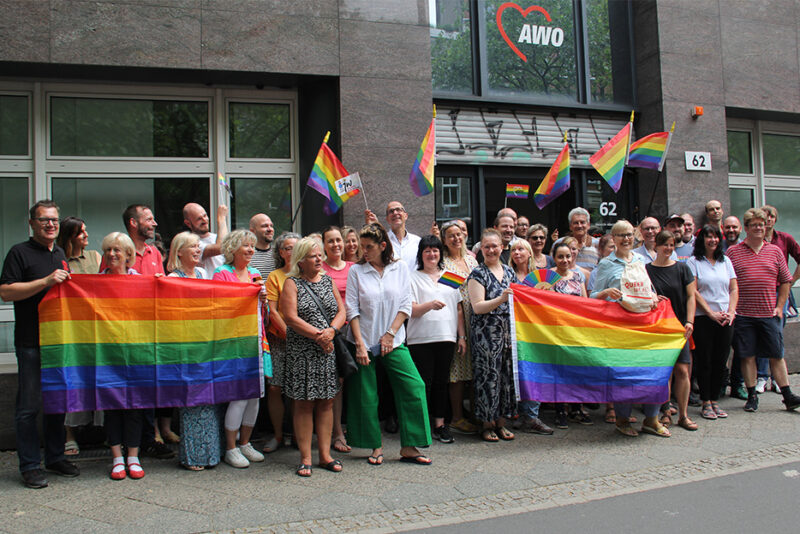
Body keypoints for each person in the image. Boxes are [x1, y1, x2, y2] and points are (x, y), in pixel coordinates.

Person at [0, 200, 79, 488]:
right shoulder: (19, 253)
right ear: (32, 223)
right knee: (28, 407)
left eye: (54, 221)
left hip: (57, 343)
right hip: (30, 342)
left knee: (57, 403)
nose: (50, 225)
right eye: (44, 220)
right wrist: (45, 281)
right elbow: (6, 292)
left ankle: (55, 457)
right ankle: (30, 465)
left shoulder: (60, 253)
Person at [345, 223, 432, 465]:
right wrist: (360, 345)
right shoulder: (356, 271)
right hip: (363, 340)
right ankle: (375, 446)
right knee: (366, 395)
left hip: (394, 341)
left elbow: (405, 304)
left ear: (383, 246)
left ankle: (410, 447)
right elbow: (351, 309)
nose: (364, 251)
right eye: (362, 246)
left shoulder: (400, 267)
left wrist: (391, 334)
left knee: (414, 386)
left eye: (369, 247)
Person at [591, 219, 669, 437]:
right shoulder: (606, 264)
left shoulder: (642, 260)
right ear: (613, 239)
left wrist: (653, 297)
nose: (626, 238)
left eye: (629, 235)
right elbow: (593, 295)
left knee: (652, 371)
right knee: (624, 375)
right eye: (621, 235)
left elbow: (647, 288)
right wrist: (606, 293)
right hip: (619, 327)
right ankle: (623, 419)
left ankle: (651, 419)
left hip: (644, 324)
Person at [281, 237, 346, 477]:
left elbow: (341, 311)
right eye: (312, 256)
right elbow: (290, 318)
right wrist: (320, 336)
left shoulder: (328, 281)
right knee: (304, 403)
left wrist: (331, 331)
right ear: (301, 260)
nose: (319, 259)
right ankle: (306, 457)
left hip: (326, 353)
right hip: (303, 353)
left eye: (319, 255)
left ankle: (325, 455)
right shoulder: (292, 283)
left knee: (327, 401)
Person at [726, 208, 800, 413]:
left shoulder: (775, 251)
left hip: (769, 314)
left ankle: (787, 395)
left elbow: (786, 281)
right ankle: (752, 396)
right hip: (744, 315)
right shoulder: (733, 252)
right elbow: (728, 283)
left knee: (776, 355)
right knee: (747, 356)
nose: (759, 228)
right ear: (746, 228)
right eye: (754, 225)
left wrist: (779, 307)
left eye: (762, 224)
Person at [166, 232, 222, 471]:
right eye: (192, 247)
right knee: (190, 398)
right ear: (179, 251)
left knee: (208, 398)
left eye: (199, 246)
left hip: (203, 343)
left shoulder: (202, 274)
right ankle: (192, 456)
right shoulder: (171, 277)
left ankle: (210, 452)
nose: (198, 250)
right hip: (184, 343)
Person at [212, 229, 267, 467]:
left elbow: (262, 312)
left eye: (253, 246)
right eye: (246, 245)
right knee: (239, 395)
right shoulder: (221, 273)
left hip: (256, 339)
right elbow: (218, 306)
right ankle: (231, 447)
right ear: (233, 248)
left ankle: (245, 443)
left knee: (255, 395)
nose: (251, 250)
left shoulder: (255, 273)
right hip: (233, 342)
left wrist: (263, 300)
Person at [408, 235, 467, 444]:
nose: (432, 254)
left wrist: (461, 336)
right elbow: (410, 310)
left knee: (442, 382)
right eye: (427, 251)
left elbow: (459, 309)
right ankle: (422, 425)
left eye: (435, 250)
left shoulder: (450, 276)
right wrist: (429, 306)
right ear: (421, 254)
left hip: (446, 337)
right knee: (424, 383)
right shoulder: (412, 277)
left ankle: (440, 424)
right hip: (419, 339)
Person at [100, 231, 147, 480]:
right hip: (106, 353)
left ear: (129, 255)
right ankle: (116, 457)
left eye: (117, 250)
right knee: (111, 405)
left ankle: (133, 456)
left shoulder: (140, 280)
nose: (112, 254)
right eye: (108, 250)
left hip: (134, 352)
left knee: (134, 405)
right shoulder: (95, 282)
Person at [57, 216, 102, 456]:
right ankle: (69, 434)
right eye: (81, 232)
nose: (86, 235)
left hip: (95, 327)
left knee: (98, 378)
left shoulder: (96, 257)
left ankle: (102, 431)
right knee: (72, 381)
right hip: (72, 328)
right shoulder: (59, 260)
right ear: (70, 235)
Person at [468, 228, 518, 443]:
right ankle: (486, 424)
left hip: (508, 335)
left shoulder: (509, 272)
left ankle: (501, 422)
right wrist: (501, 298)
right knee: (488, 378)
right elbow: (477, 307)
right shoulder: (477, 274)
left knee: (506, 377)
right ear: (481, 249)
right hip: (486, 336)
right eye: (486, 246)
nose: (491, 250)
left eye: (494, 246)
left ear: (502, 247)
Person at [646, 231, 697, 432]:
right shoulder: (646, 270)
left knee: (683, 370)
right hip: (658, 329)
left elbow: (691, 296)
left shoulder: (683, 269)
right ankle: (665, 411)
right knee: (663, 373)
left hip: (680, 327)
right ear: (656, 246)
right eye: (665, 245)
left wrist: (690, 321)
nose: (668, 248)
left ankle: (683, 415)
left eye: (671, 245)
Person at [687, 225, 738, 421]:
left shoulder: (726, 261)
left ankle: (716, 399)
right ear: (702, 240)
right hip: (704, 318)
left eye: (716, 237)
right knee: (705, 360)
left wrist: (731, 311)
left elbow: (733, 289)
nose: (713, 240)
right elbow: (694, 291)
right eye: (708, 237)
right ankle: (705, 401)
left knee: (720, 360)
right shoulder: (694, 262)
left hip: (726, 318)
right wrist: (710, 313)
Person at [262, 231, 301, 454]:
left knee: (298, 389)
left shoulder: (305, 274)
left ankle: (297, 433)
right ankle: (277, 434)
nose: (292, 251)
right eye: (287, 248)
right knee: (276, 387)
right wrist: (289, 334)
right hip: (279, 339)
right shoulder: (274, 276)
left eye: (296, 247)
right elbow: (273, 311)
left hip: (303, 339)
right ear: (281, 252)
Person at [440, 220, 479, 435]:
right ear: (444, 241)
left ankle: (474, 412)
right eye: (451, 236)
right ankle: (456, 417)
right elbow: (449, 296)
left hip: (476, 319)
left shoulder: (471, 260)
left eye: (459, 234)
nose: (456, 238)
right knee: (457, 371)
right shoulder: (443, 263)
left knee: (473, 369)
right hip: (456, 320)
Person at [548, 242, 591, 428]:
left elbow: (585, 302)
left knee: (577, 370)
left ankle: (576, 408)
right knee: (559, 372)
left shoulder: (578, 276)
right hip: (557, 331)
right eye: (560, 256)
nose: (565, 260)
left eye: (568, 256)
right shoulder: (548, 277)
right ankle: (560, 411)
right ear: (554, 258)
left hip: (576, 330)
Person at [321, 226, 354, 453]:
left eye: (338, 240)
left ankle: (355, 427)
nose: (336, 245)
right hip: (333, 333)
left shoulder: (355, 268)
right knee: (337, 385)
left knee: (355, 383)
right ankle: (337, 433)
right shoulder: (320, 269)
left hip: (356, 331)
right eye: (330, 241)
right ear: (324, 245)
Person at [761, 204, 800, 393]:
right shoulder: (753, 240)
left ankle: (778, 378)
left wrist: (791, 281)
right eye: (764, 216)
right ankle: (762, 376)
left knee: (776, 333)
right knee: (761, 333)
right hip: (760, 293)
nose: (767, 220)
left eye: (771, 216)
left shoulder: (785, 239)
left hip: (779, 293)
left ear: (775, 219)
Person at [365, 201, 420, 270]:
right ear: (387, 219)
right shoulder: (382, 241)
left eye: (398, 210)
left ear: (406, 215)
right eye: (391, 211)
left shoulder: (417, 241)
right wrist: (375, 227)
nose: (395, 213)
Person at [183, 202, 229, 275]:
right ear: (188, 223)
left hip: (225, 284)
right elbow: (221, 247)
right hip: (208, 285)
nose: (204, 220)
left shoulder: (217, 237)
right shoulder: (192, 243)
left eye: (205, 216)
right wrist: (222, 219)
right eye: (199, 219)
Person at [249, 213, 276, 280]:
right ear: (253, 231)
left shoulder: (279, 253)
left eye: (271, 226)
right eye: (264, 226)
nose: (270, 229)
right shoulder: (247, 254)